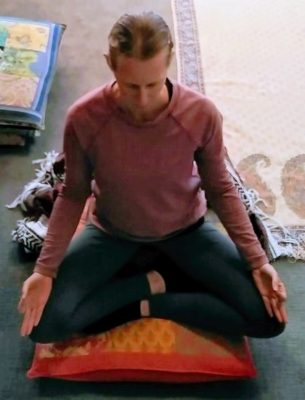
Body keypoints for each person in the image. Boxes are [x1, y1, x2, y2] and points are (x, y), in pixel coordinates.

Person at [18, 12, 288, 343]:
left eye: (153, 84)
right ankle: (154, 283)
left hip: (187, 232)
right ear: (110, 64)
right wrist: (44, 271)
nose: (143, 100)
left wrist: (257, 262)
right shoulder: (84, 117)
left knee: (268, 318)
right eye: (132, 86)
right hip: (112, 234)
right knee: (43, 325)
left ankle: (153, 298)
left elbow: (220, 187)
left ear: (170, 63)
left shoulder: (201, 113)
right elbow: (73, 193)